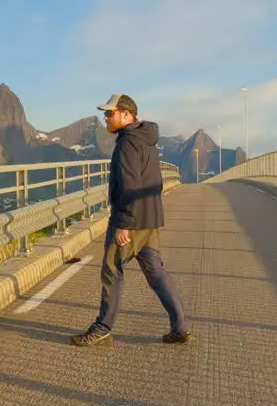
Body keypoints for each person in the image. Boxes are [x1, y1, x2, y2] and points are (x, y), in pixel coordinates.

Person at [70, 94, 191, 346]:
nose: (105, 117)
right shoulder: (146, 139)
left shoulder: (127, 143)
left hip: (130, 219)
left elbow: (130, 184)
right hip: (150, 218)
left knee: (112, 270)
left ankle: (103, 326)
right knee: (156, 273)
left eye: (109, 113)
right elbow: (154, 181)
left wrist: (123, 223)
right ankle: (179, 326)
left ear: (126, 114)